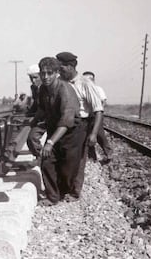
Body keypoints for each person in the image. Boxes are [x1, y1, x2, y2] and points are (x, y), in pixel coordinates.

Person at [31, 57, 83, 205]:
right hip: (55, 127)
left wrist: (50, 142)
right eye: (43, 73)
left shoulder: (65, 90)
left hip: (71, 132)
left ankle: (66, 190)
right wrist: (32, 122)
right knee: (47, 160)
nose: (45, 77)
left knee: (68, 167)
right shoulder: (43, 89)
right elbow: (42, 109)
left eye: (50, 73)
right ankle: (52, 196)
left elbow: (66, 121)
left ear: (57, 73)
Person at [56, 52, 104, 200]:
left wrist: (94, 134)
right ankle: (62, 188)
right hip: (63, 124)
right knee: (61, 157)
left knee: (77, 160)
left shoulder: (85, 83)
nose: (59, 70)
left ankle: (74, 192)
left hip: (80, 125)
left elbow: (98, 110)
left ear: (70, 66)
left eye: (61, 67)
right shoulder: (59, 82)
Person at [82, 71, 112, 163]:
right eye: (85, 79)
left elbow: (103, 101)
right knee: (87, 136)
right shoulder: (83, 88)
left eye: (90, 79)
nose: (88, 81)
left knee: (99, 134)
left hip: (96, 115)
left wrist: (99, 111)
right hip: (86, 116)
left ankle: (108, 153)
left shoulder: (98, 89)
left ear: (93, 80)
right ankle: (92, 157)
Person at [26, 64, 47, 159]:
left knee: (32, 138)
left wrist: (34, 119)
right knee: (31, 139)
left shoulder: (47, 87)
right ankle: (40, 157)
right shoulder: (34, 88)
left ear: (41, 76)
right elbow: (36, 104)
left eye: (35, 77)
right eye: (31, 78)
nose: (33, 81)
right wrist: (28, 113)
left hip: (49, 117)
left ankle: (42, 158)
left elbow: (44, 107)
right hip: (41, 116)